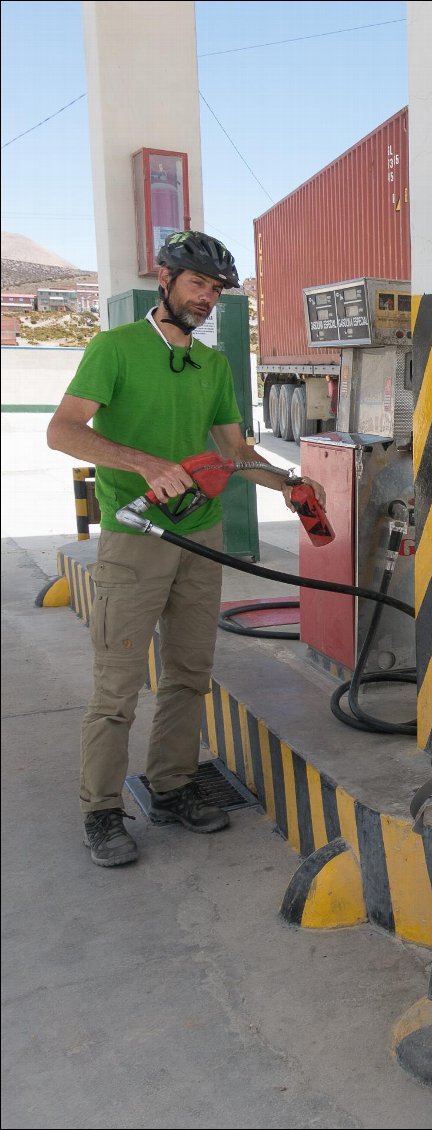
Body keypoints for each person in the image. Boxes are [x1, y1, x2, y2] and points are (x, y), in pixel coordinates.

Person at [46, 230, 325, 868]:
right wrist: (143, 464)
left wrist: (288, 482)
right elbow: (63, 432)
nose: (207, 299)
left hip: (199, 534)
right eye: (198, 285)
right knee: (117, 684)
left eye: (217, 291)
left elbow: (232, 451)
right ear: (165, 280)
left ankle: (171, 787)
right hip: (135, 535)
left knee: (189, 673)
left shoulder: (212, 365)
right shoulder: (115, 349)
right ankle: (102, 810)